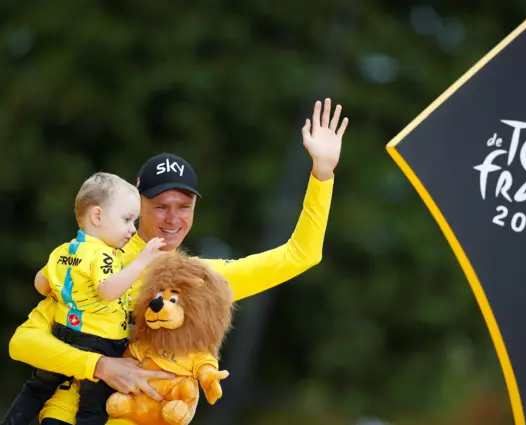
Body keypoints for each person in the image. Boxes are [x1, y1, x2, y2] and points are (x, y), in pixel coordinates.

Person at [7, 98, 348, 425]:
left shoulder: (201, 281)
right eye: (160, 205)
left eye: (183, 206)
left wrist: (322, 173)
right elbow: (24, 343)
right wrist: (101, 366)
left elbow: (301, 255)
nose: (173, 219)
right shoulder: (95, 259)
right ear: (137, 204)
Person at [1, 173, 167, 425]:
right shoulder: (106, 256)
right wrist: (143, 260)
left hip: (63, 333)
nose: (132, 229)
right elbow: (109, 291)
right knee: (93, 409)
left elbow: (41, 284)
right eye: (127, 220)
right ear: (97, 216)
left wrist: (68, 292)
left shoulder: (64, 249)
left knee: (36, 388)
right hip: (98, 342)